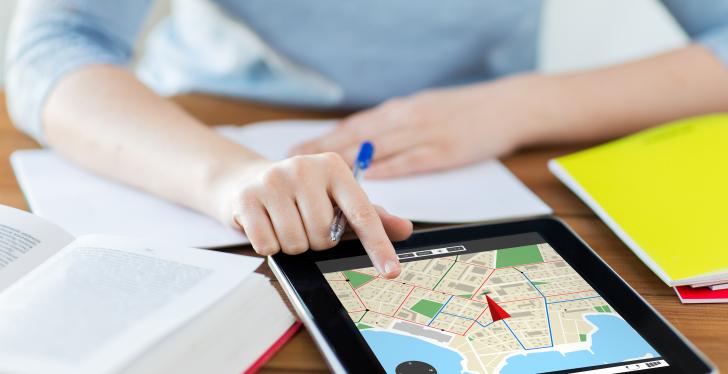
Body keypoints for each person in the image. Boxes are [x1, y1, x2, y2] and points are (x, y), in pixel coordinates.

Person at [5, 1, 728, 279]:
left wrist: (522, 105)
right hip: (192, 131)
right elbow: (54, 47)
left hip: (486, 150)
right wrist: (228, 178)